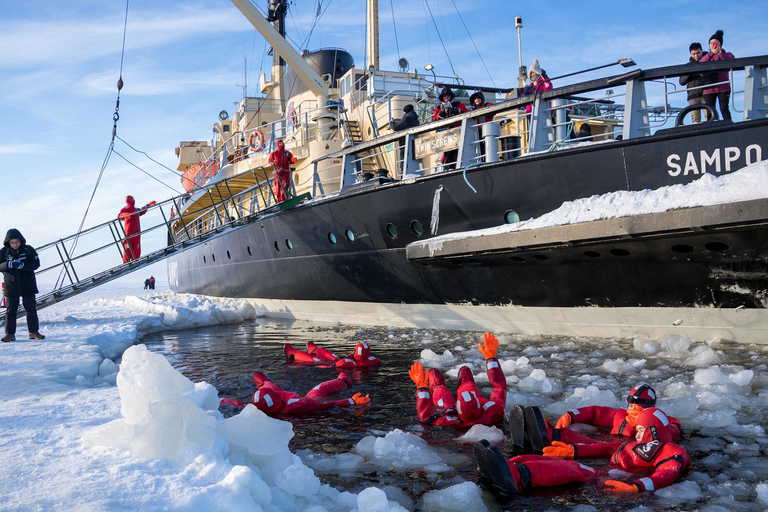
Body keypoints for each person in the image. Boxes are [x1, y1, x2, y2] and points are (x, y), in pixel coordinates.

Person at [474, 408, 689, 500]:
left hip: (618, 483)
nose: (637, 433)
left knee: (575, 470)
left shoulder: (673, 451)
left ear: (653, 430)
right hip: (612, 475)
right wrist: (572, 451)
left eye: (641, 430)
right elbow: (605, 447)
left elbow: (667, 472)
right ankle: (513, 463)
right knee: (559, 460)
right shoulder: (633, 444)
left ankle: (518, 476)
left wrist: (637, 487)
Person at [408, 332, 506, 427]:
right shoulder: (494, 411)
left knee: (439, 388)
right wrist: (491, 359)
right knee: (467, 381)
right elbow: (499, 387)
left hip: (449, 408)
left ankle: (436, 386)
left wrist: (421, 388)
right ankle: (464, 383)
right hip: (475, 406)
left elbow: (424, 417)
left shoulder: (450, 421)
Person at [219, 371, 370, 416]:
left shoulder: (260, 410)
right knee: (319, 389)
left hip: (272, 397)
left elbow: (240, 405)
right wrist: (351, 401)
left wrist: (221, 400)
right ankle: (344, 380)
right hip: (294, 399)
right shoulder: (298, 405)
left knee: (262, 380)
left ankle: (263, 382)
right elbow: (326, 405)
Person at [1, 229, 44, 341]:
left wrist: (23, 265)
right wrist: (8, 264)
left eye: (17, 242)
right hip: (11, 285)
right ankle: (10, 334)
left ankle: (33, 332)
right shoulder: (4, 252)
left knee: (31, 309)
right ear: (8, 242)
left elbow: (36, 264)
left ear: (21, 241)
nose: (15, 244)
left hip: (28, 284)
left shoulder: (29, 249)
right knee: (10, 310)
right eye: (12, 242)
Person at [699, 30, 735, 121]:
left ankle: (729, 125)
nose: (713, 45)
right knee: (710, 110)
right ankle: (711, 127)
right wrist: (711, 53)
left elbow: (732, 61)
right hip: (709, 87)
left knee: (724, 109)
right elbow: (701, 63)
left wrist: (720, 54)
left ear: (720, 44)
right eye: (711, 43)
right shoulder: (707, 56)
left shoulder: (727, 55)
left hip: (723, 87)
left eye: (715, 42)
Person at [432, 87, 467, 170]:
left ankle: (460, 167)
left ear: (451, 96)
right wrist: (442, 112)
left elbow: (465, 113)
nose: (446, 98)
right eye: (444, 96)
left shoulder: (459, 104)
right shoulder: (438, 108)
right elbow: (435, 120)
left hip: (458, 133)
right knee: (448, 153)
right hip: (446, 135)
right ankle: (449, 168)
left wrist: (455, 110)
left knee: (459, 152)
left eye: (448, 95)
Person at [284, 341, 381, 369]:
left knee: (315, 360)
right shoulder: (373, 360)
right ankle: (314, 349)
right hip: (339, 362)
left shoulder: (346, 363)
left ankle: (292, 353)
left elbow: (331, 366)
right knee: (333, 356)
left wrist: (318, 366)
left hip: (331, 364)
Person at [679, 42, 712, 123]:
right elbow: (682, 81)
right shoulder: (688, 66)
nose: (696, 56)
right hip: (693, 95)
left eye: (698, 53)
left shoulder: (708, 62)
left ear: (702, 51)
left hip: (706, 93)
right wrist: (690, 72)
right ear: (690, 54)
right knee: (695, 120)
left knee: (709, 117)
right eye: (693, 54)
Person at [118, 196, 156, 263]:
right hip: (129, 232)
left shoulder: (136, 210)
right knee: (128, 247)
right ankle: (126, 261)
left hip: (137, 232)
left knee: (136, 247)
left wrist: (147, 205)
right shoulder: (126, 208)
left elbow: (142, 211)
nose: (134, 200)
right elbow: (119, 216)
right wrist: (125, 215)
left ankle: (135, 259)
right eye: (132, 199)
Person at [469, 92, 494, 162]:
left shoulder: (487, 105)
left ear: (482, 99)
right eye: (475, 98)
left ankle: (486, 161)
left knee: (487, 148)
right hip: (476, 132)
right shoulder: (471, 109)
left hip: (487, 131)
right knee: (478, 148)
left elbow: (493, 109)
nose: (477, 100)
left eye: (479, 98)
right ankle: (480, 161)